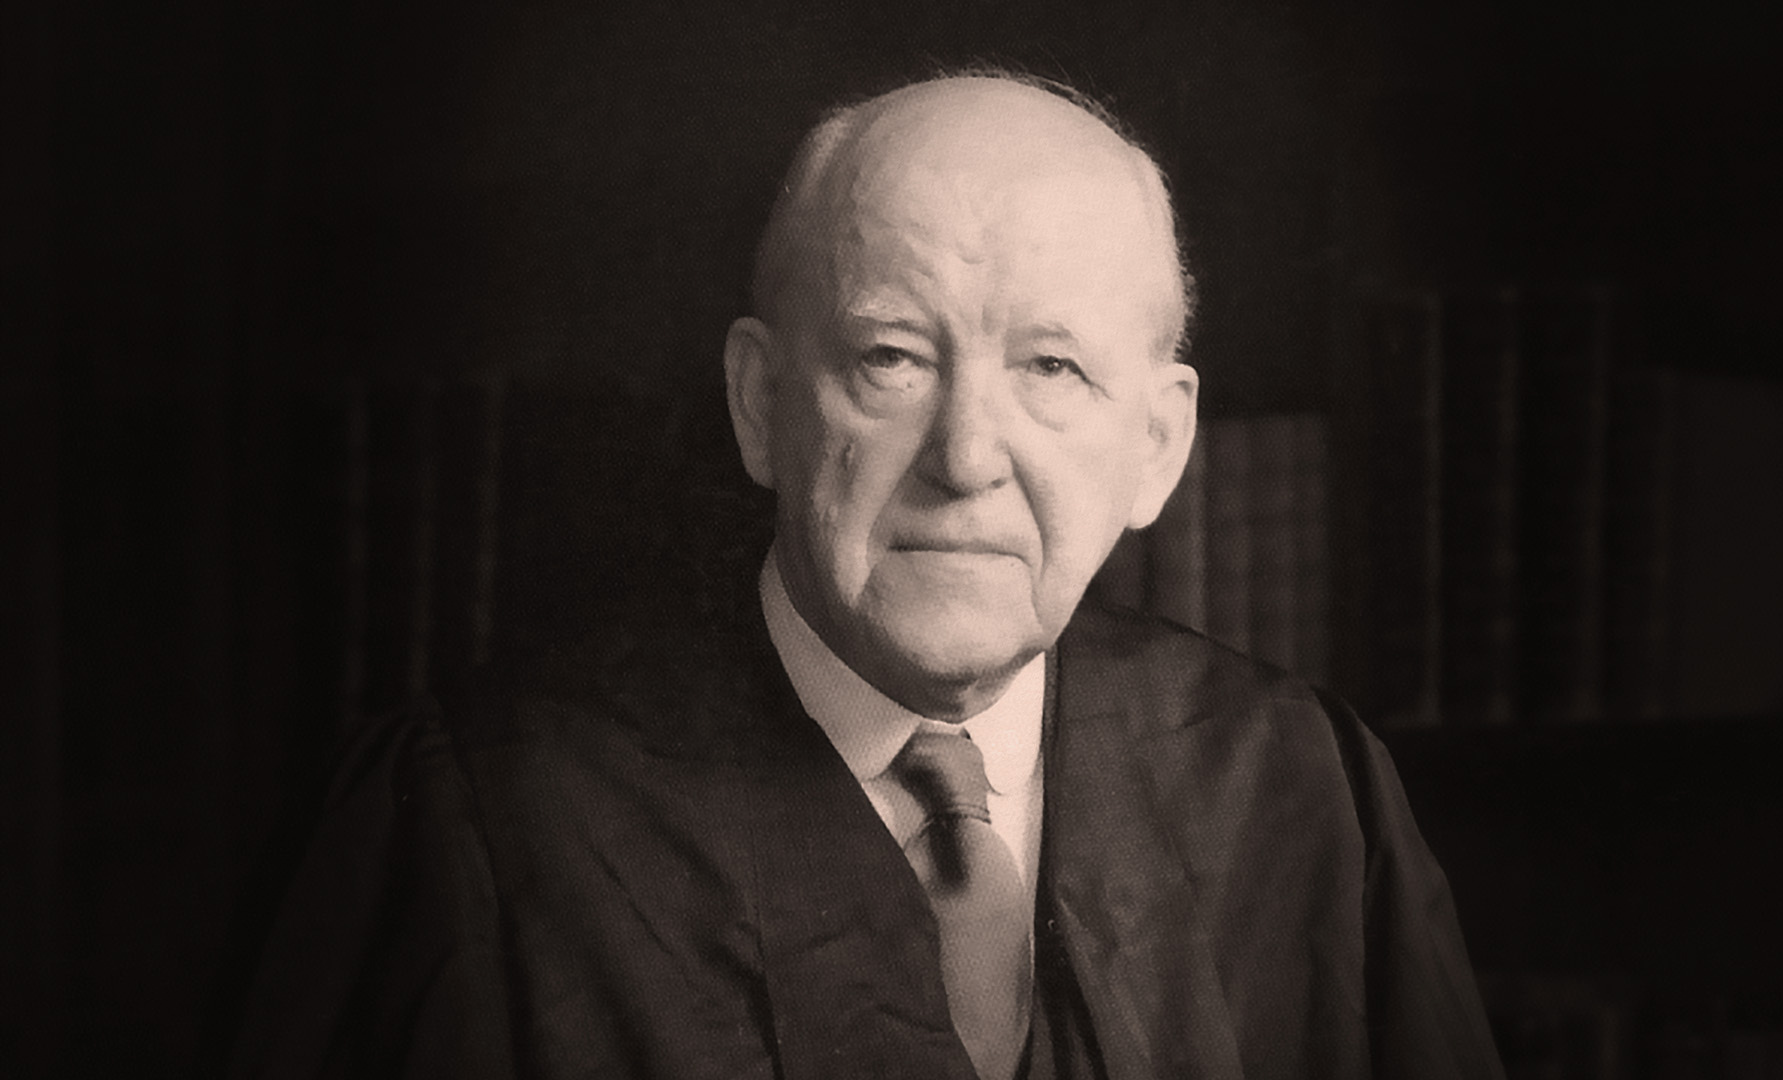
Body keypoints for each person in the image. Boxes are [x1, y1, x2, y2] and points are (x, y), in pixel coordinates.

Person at [230, 72, 1504, 1080]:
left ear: (1158, 448)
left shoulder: (1299, 791)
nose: (967, 457)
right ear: (759, 403)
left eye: (1051, 369)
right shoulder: (486, 827)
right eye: (892, 358)